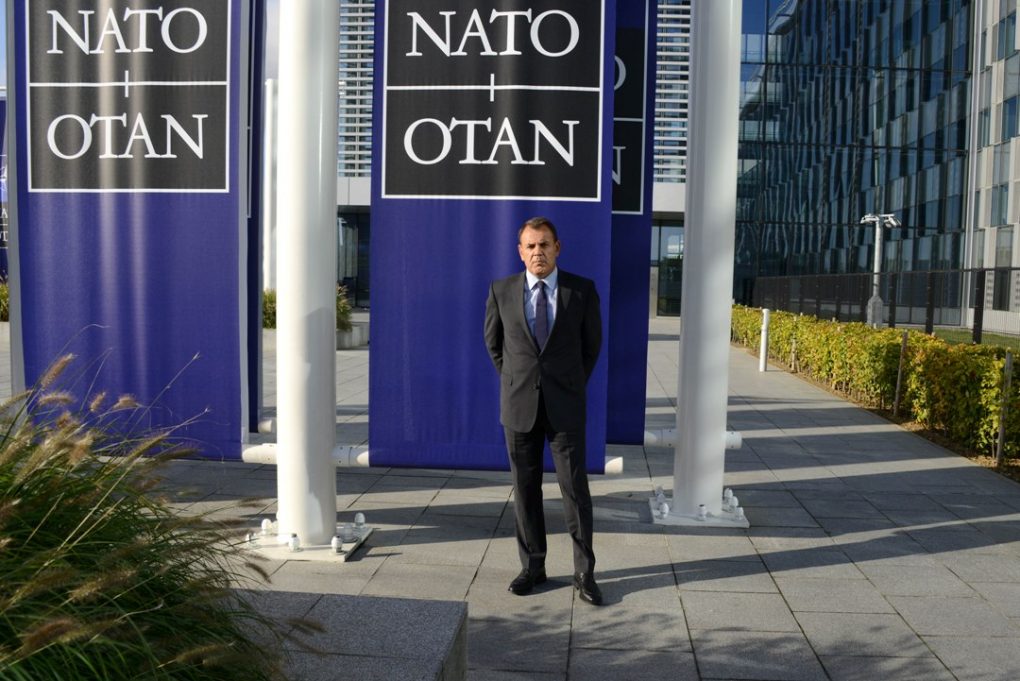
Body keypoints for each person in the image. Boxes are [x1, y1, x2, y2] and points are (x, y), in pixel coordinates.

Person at [483, 216, 603, 606]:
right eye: (531, 246)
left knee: (575, 491)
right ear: (521, 252)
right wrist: (517, 381)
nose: (538, 252)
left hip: (565, 406)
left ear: (557, 248)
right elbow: (494, 345)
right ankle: (533, 566)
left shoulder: (580, 291)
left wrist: (568, 384)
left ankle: (584, 572)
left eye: (545, 244)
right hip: (519, 406)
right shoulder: (501, 290)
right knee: (525, 489)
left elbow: (591, 347)